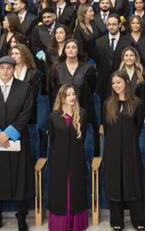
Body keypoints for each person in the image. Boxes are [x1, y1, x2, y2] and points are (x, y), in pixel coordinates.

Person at [0, 56, 36, 231]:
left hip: (17, 140)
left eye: (9, 67)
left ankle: (21, 218)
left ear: (14, 69)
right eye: (2, 67)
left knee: (21, 179)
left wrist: (9, 133)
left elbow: (26, 113)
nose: (5, 70)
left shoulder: (25, 88)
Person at [101, 71, 145, 230]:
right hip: (112, 150)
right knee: (114, 182)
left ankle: (138, 218)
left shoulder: (137, 103)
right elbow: (106, 128)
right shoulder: (107, 104)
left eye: (118, 82)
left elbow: (139, 126)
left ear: (127, 82)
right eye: (113, 83)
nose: (115, 86)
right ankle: (116, 219)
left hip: (130, 149)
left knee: (132, 181)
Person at [47, 84, 89, 231]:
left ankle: (76, 222)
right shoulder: (53, 116)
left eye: (73, 94)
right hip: (59, 160)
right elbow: (52, 139)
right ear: (62, 97)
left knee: (76, 188)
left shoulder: (82, 113)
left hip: (76, 159)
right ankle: (60, 223)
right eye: (68, 95)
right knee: (60, 190)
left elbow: (82, 139)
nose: (72, 97)